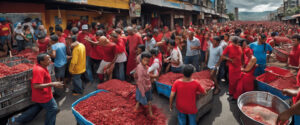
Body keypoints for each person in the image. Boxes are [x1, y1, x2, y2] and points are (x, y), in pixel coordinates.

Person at [14, 54, 63, 125]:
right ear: (42, 62)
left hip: (42, 94)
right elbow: (36, 86)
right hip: (43, 95)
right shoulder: (39, 70)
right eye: (48, 59)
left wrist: (52, 84)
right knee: (53, 109)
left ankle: (19, 120)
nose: (50, 61)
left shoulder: (42, 67)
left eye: (50, 59)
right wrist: (52, 84)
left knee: (38, 107)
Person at [134, 51, 153, 117]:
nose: (146, 62)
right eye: (145, 60)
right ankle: (150, 114)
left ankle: (150, 113)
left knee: (146, 100)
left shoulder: (144, 66)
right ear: (141, 59)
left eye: (148, 61)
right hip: (143, 88)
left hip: (147, 86)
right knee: (145, 100)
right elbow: (140, 82)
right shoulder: (140, 68)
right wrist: (143, 92)